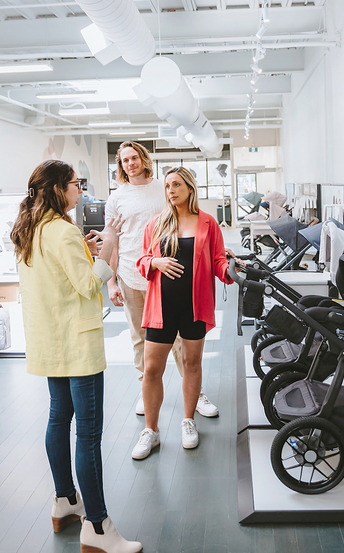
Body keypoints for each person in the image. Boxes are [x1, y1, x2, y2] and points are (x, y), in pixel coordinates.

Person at [11, 160, 142, 553]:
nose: (80, 191)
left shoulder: (30, 229)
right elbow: (87, 286)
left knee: (58, 418)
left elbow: (56, 278)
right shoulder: (63, 231)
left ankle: (65, 501)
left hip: (51, 342)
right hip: (77, 345)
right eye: (74, 184)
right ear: (56, 189)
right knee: (88, 435)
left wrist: (85, 252)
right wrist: (110, 248)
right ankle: (98, 528)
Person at [105, 141, 219, 418]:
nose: (130, 164)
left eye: (135, 158)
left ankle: (195, 393)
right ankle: (146, 389)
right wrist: (111, 281)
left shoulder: (163, 188)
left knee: (183, 341)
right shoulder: (116, 198)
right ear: (120, 166)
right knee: (140, 339)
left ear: (144, 159)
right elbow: (113, 243)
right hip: (134, 275)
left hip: (169, 280)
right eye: (125, 160)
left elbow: (186, 224)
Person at [131, 167, 233, 460]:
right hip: (161, 307)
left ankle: (188, 421)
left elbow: (218, 260)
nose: (171, 190)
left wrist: (231, 272)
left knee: (191, 362)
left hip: (194, 306)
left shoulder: (207, 223)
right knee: (152, 369)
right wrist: (155, 262)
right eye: (167, 186)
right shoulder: (156, 224)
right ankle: (151, 431)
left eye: (176, 185)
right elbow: (142, 259)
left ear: (190, 188)